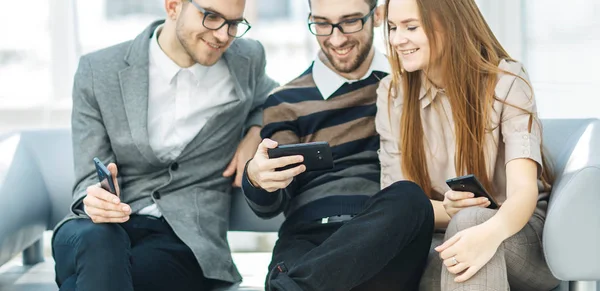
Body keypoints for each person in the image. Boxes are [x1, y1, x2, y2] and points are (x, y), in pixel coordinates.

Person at [51, 0, 278, 290]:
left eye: (234, 23)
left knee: (99, 278)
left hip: (185, 239)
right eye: (211, 17)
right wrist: (93, 198)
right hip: (97, 227)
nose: (223, 35)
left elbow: (276, 99)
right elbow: (87, 176)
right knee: (101, 242)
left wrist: (255, 130)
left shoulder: (247, 59)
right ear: (173, 6)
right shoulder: (98, 71)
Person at [242, 0, 435, 290]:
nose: (336, 38)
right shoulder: (285, 101)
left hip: (383, 240)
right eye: (322, 23)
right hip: (309, 238)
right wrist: (257, 179)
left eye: (350, 21)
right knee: (298, 270)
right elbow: (273, 202)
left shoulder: (410, 85)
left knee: (410, 197)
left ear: (378, 15)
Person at [377, 0, 561, 289]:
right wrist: (449, 211)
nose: (397, 40)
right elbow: (396, 205)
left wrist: (486, 232)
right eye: (392, 28)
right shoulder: (392, 93)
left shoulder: (507, 82)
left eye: (411, 27)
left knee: (469, 224)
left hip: (519, 233)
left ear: (450, 24)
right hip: (441, 237)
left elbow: (523, 192)